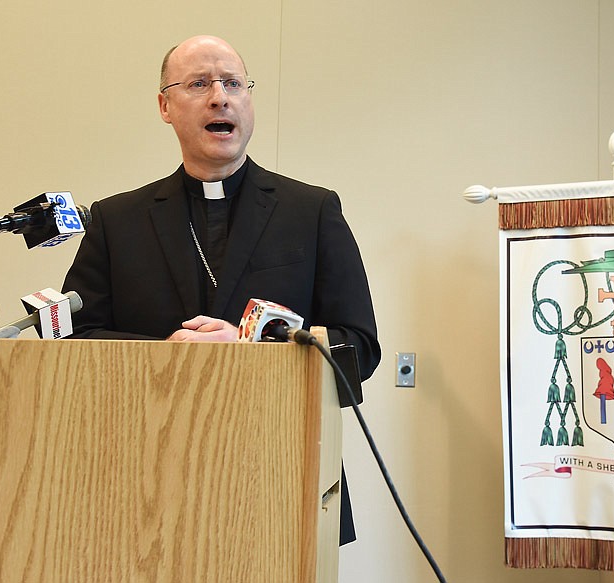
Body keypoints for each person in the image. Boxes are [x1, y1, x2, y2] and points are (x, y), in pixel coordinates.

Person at [62, 35, 381, 544]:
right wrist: (167, 355)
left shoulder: (312, 211)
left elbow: (359, 348)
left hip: (278, 477)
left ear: (249, 102)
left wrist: (247, 346)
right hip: (143, 486)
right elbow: (75, 345)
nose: (220, 97)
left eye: (233, 83)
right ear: (165, 106)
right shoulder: (116, 220)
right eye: (198, 84)